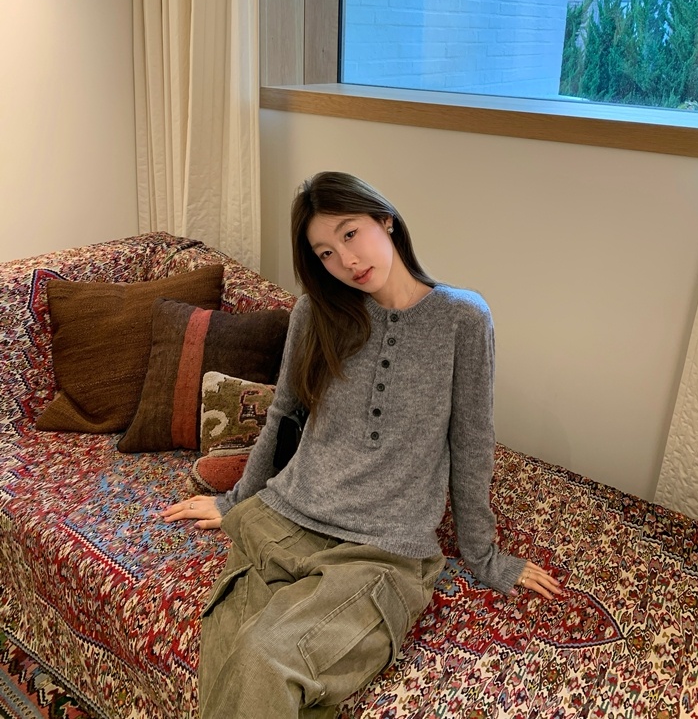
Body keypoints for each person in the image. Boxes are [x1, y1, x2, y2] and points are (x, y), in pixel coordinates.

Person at [161, 171, 563, 718]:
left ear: (385, 220)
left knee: (262, 658)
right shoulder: (316, 313)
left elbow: (472, 443)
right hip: (284, 521)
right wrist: (235, 502)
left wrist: (483, 556)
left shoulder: (463, 318)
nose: (346, 261)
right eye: (325, 252)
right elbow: (283, 414)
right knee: (228, 653)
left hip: (381, 553)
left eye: (350, 233)